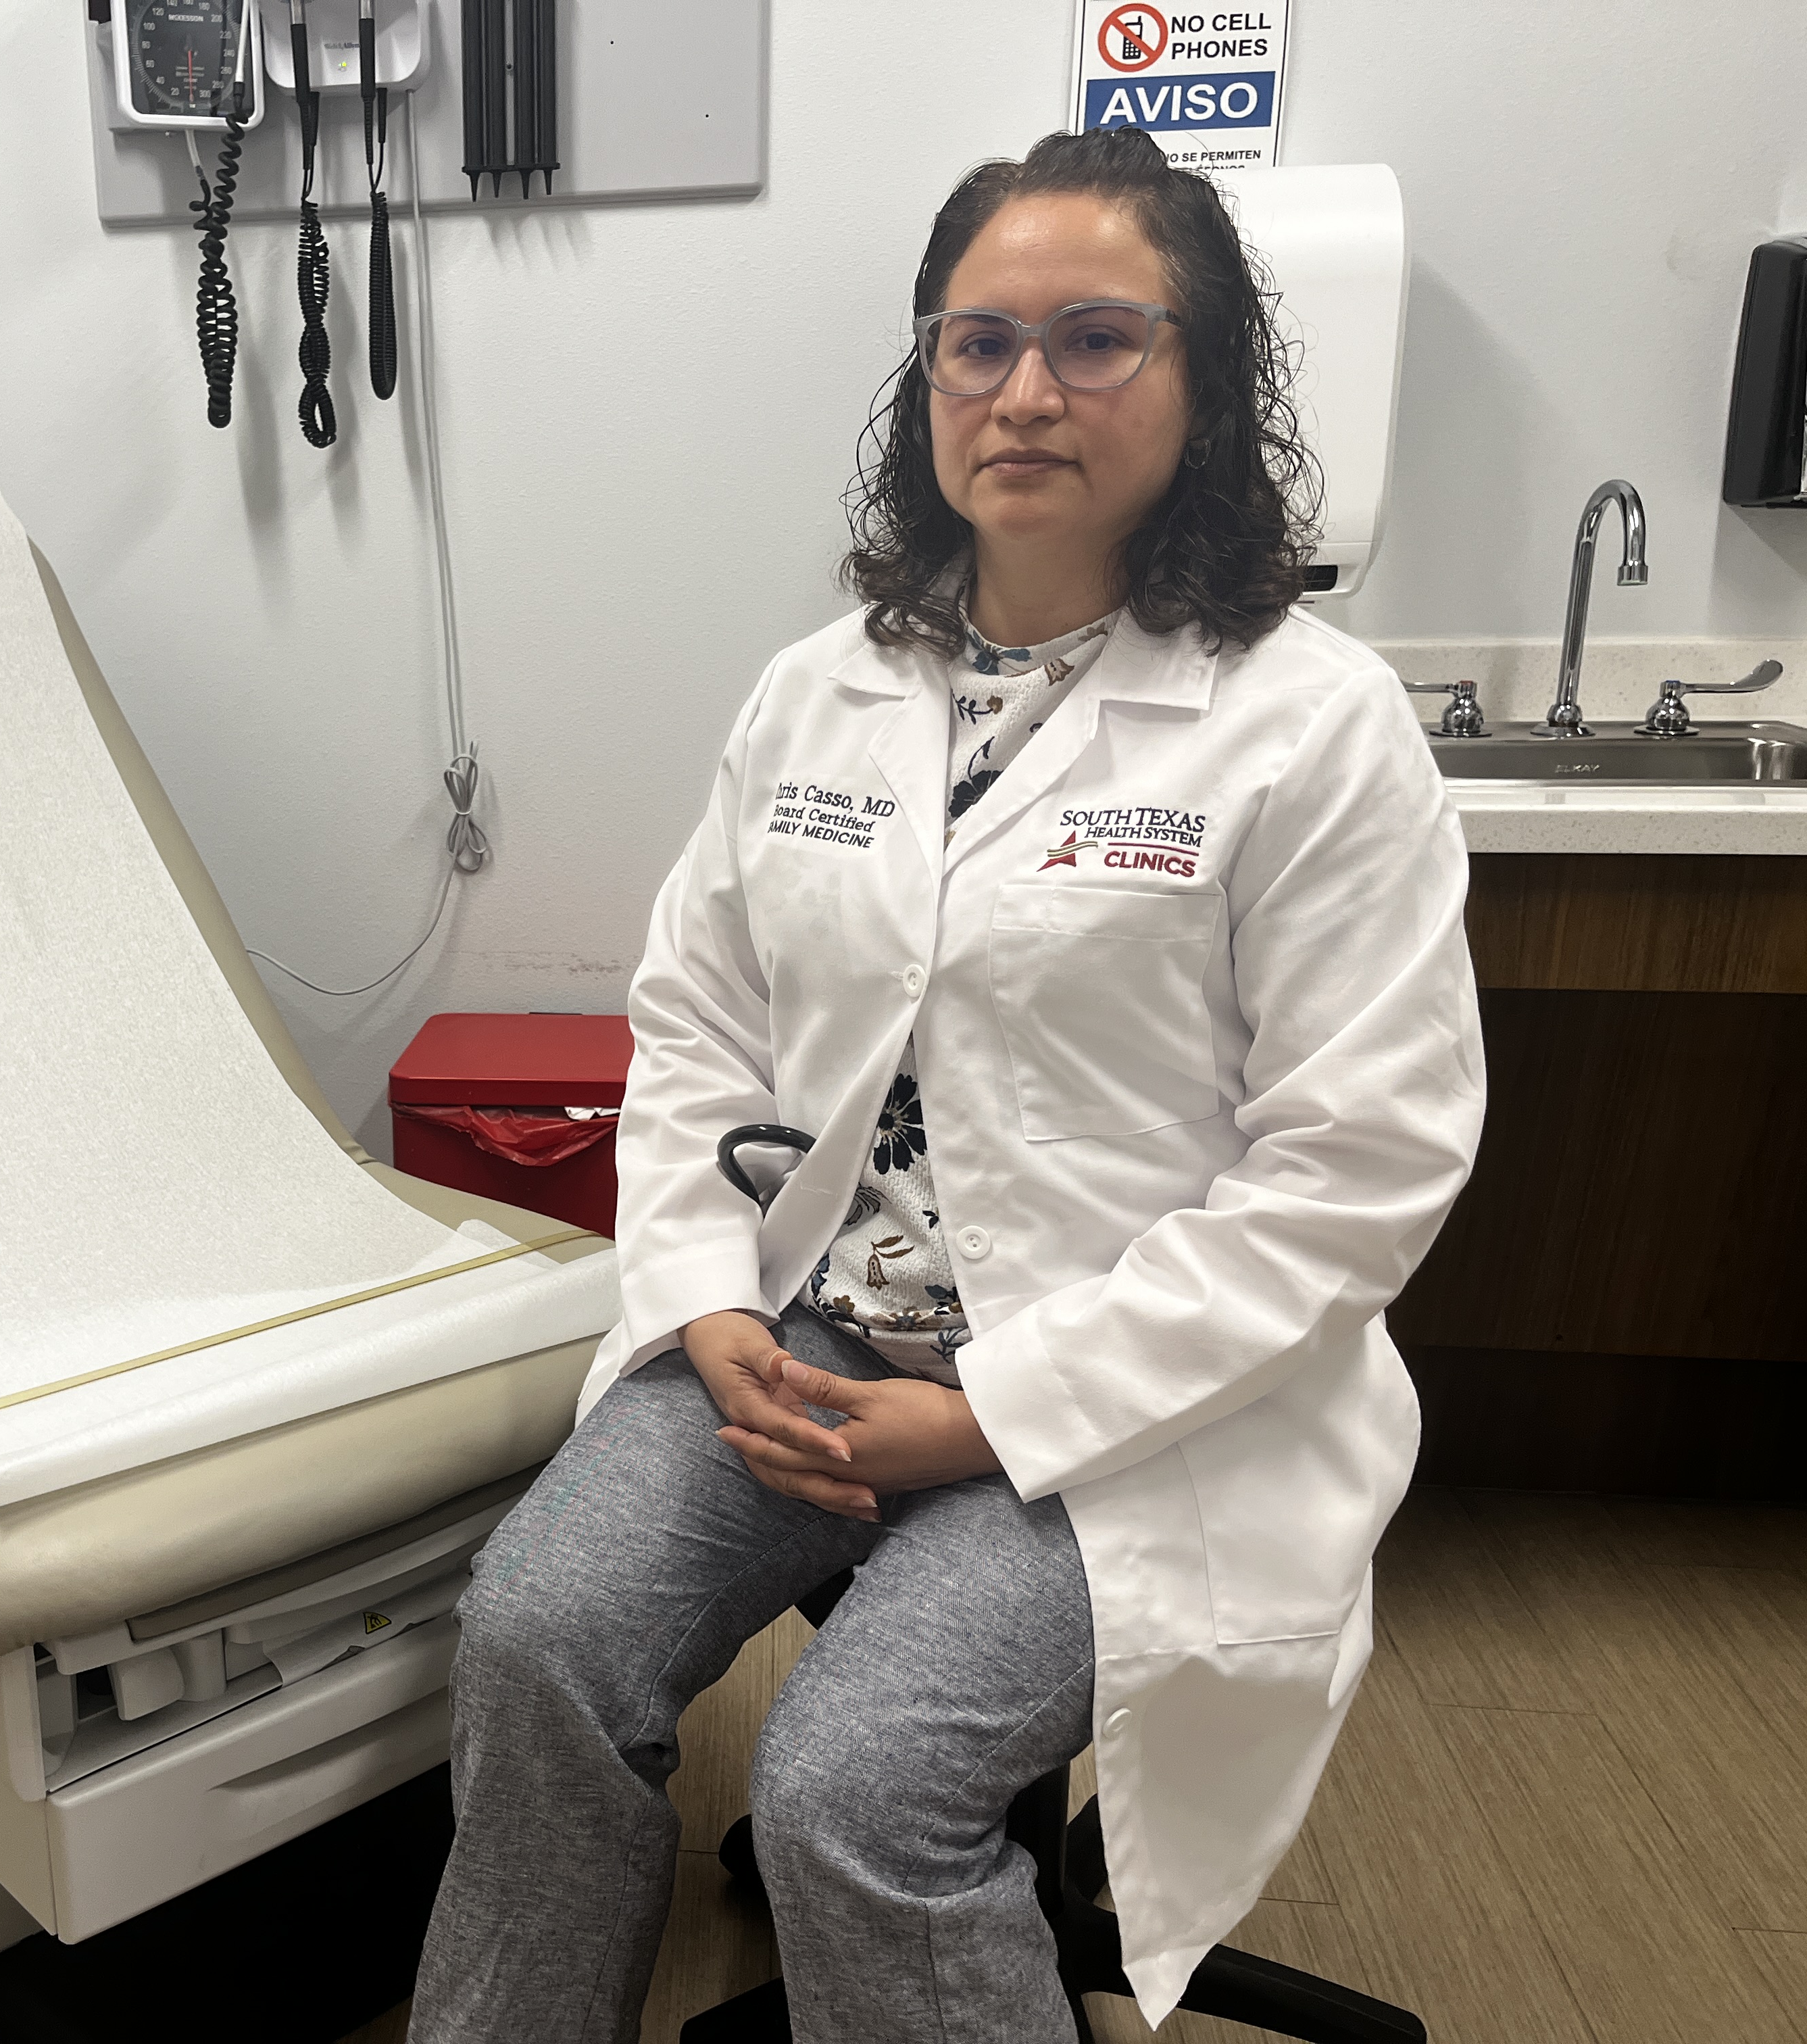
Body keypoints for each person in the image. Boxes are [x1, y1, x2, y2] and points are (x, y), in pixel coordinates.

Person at [408, 126, 1485, 2042]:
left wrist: (990, 1414)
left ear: (1205, 377)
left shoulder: (1314, 728)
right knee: (535, 1638)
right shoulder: (817, 691)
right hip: (807, 1335)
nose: (1026, 392)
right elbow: (699, 1024)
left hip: (1129, 1394)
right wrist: (705, 1299)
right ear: (927, 385)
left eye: (1095, 338)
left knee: (854, 1790)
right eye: (978, 344)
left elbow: (1358, 1170)